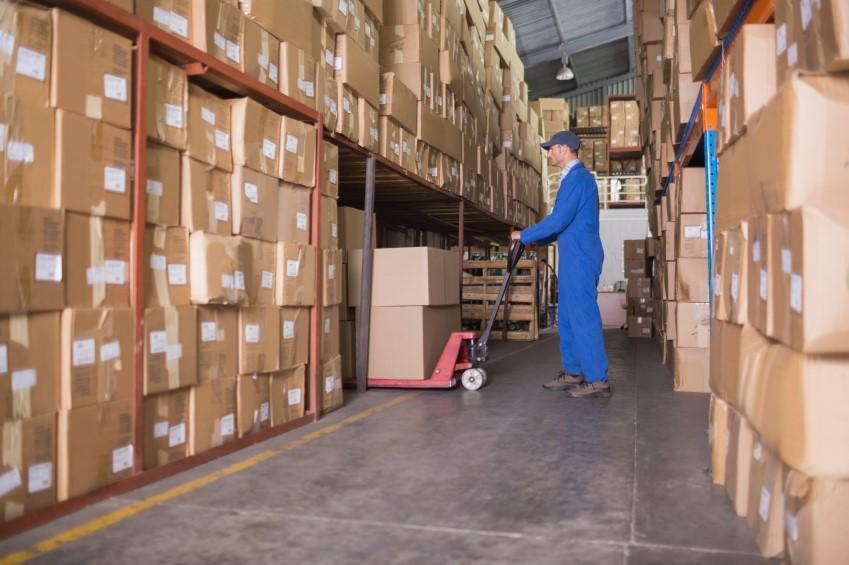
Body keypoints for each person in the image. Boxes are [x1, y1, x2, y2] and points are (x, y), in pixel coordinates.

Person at [511, 131, 611, 398]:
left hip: (581, 255)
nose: (549, 153)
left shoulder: (579, 180)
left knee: (582, 315)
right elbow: (561, 226)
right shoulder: (570, 181)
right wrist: (536, 240)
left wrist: (526, 234)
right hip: (572, 255)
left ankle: (597, 379)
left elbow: (558, 220)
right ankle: (573, 372)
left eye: (552, 148)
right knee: (566, 316)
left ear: (565, 149)